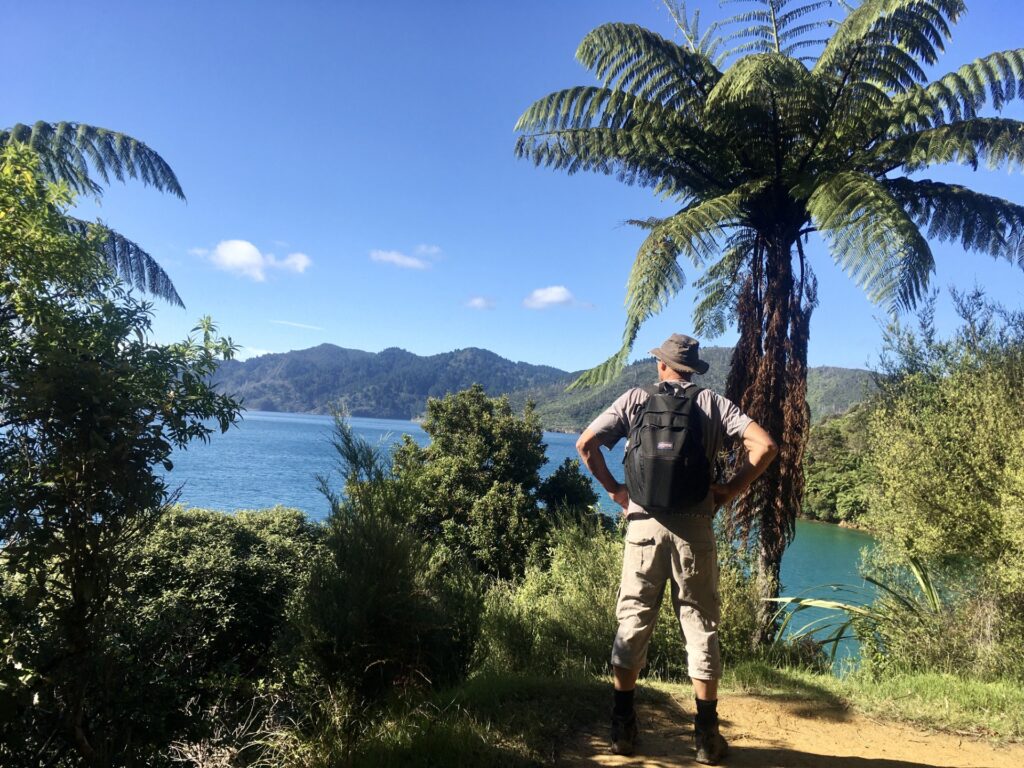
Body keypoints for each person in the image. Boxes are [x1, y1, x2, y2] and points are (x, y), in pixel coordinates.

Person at [575, 333, 778, 765]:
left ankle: (622, 728)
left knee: (633, 620)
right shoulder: (712, 404)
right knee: (700, 625)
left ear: (662, 365)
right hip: (695, 530)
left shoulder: (635, 399)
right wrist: (729, 490)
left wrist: (615, 490)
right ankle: (706, 737)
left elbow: (585, 445)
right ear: (693, 369)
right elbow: (765, 446)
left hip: (643, 528)